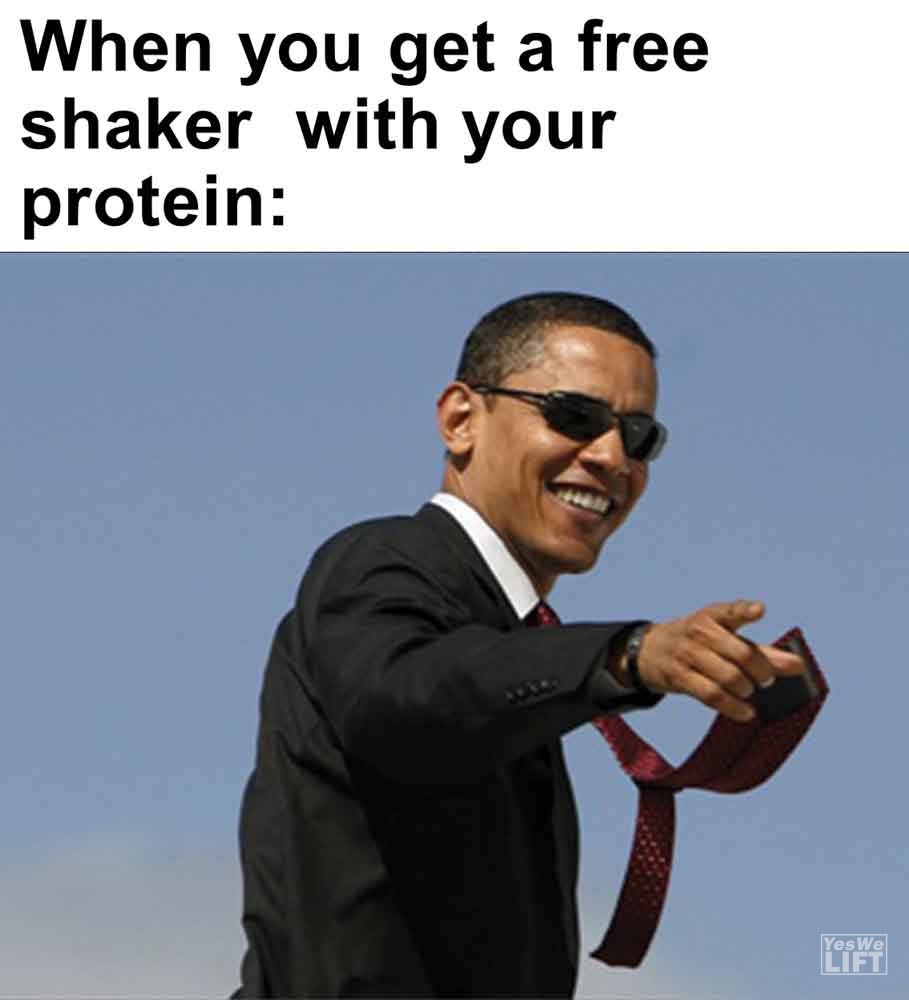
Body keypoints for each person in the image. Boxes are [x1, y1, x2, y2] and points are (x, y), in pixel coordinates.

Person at [232, 292, 804, 998]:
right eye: (573, 415)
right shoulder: (382, 562)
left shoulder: (518, 653)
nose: (611, 457)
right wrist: (625, 657)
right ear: (460, 419)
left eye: (638, 436)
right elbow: (406, 699)